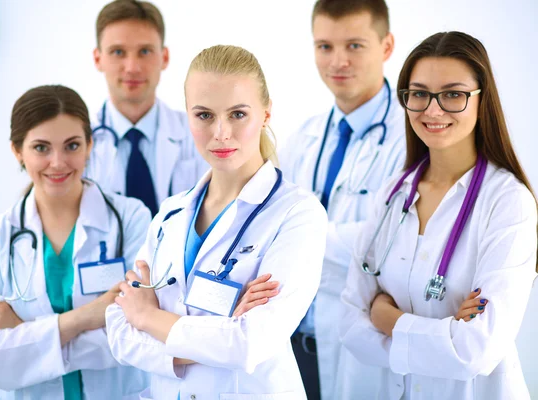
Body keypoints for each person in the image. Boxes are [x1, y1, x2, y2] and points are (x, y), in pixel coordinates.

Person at [105, 45, 328, 399]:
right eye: (204, 115)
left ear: (266, 114)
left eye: (238, 114)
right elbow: (118, 329)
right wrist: (214, 337)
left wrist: (148, 319)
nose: (221, 133)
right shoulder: (170, 215)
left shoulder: (297, 214)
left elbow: (249, 344)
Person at [339, 31, 537, 399]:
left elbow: (477, 350)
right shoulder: (393, 194)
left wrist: (388, 320)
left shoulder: (508, 202)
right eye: (419, 94)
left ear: (482, 100)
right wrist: (445, 331)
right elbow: (351, 328)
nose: (432, 109)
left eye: (452, 94)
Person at [0, 85, 152, 399]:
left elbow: (139, 333)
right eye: (41, 148)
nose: (58, 162)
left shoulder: (131, 218)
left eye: (72, 145)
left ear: (89, 145)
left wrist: (21, 331)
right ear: (17, 151)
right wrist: (84, 318)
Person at [279, 0, 405, 398]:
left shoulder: (412, 138)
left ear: (386, 46)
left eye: (354, 45)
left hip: (361, 348)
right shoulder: (304, 137)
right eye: (324, 46)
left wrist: (295, 241)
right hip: (294, 346)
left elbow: (391, 242)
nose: (338, 61)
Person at [86, 0, 208, 216]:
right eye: (117, 52)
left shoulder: (198, 134)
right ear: (98, 59)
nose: (132, 68)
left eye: (144, 51)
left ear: (165, 57)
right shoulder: (79, 144)